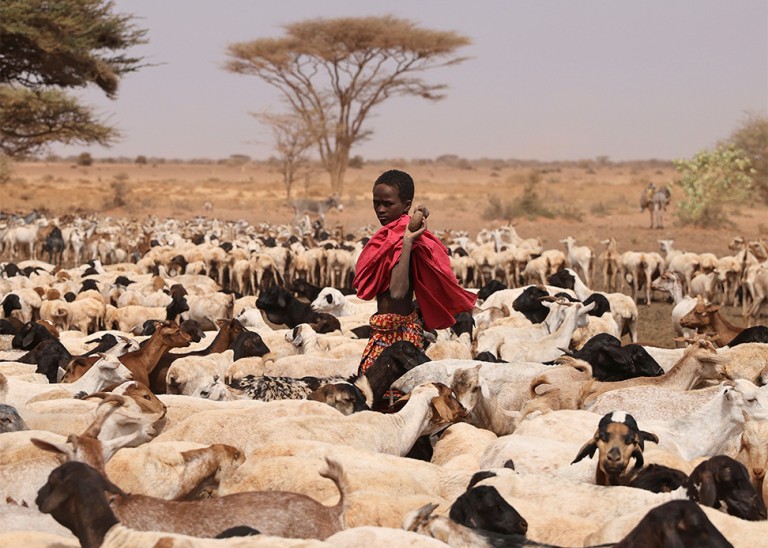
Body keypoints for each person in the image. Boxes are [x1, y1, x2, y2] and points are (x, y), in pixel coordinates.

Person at [352, 169, 478, 388]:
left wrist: (408, 241)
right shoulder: (390, 236)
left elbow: (399, 292)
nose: (380, 210)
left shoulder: (407, 239)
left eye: (388, 204)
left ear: (405, 204)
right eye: (376, 203)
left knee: (375, 398)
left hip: (399, 338)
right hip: (382, 331)